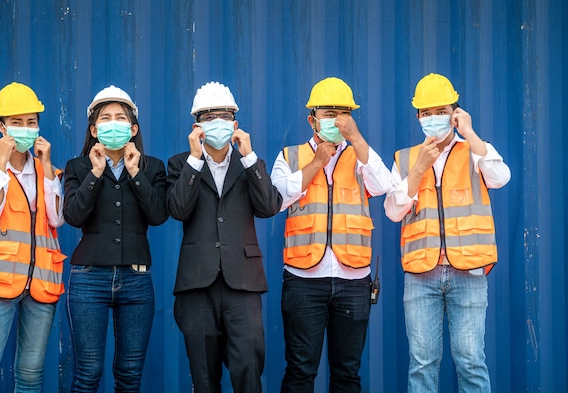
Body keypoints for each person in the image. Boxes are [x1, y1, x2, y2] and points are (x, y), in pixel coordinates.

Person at [384, 73, 511, 393]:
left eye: (439, 110)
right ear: (417, 117)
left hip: (468, 271)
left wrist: (469, 132)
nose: (432, 118)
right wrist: (418, 169)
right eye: (425, 113)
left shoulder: (475, 149)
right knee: (422, 362)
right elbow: (393, 211)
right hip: (421, 273)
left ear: (455, 113)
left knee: (470, 359)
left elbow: (499, 177)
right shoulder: (406, 158)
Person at [271, 77, 392, 393]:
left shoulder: (360, 157)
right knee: (299, 372)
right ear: (312, 119)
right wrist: (317, 163)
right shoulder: (290, 156)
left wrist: (359, 140)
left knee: (347, 375)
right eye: (329, 113)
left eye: (343, 113)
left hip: (353, 282)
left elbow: (383, 186)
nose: (336, 120)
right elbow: (277, 198)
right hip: (302, 281)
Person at [166, 81, 282, 393]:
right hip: (197, 284)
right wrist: (194, 159)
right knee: (204, 377)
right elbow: (177, 208)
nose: (217, 122)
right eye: (209, 117)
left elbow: (270, 206)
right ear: (197, 126)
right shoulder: (180, 164)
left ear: (235, 123)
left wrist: (249, 157)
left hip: (242, 283)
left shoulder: (250, 164)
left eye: (224, 116)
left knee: (248, 370)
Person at [0, 82, 66, 392]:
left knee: (30, 377)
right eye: (16, 122)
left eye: (31, 122)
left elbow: (57, 218)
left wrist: (45, 166)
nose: (25, 129)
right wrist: (2, 164)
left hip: (40, 286)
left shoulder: (50, 171)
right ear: (1, 125)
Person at [63, 85, 168, 392]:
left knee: (129, 374)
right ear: (94, 129)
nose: (113, 123)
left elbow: (159, 215)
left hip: (136, 281)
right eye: (105, 118)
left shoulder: (153, 167)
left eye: (120, 117)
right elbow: (73, 215)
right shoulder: (78, 167)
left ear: (133, 128)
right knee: (88, 373)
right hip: (88, 279)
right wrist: (95, 174)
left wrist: (135, 173)